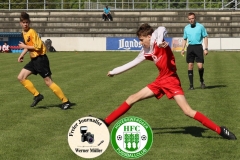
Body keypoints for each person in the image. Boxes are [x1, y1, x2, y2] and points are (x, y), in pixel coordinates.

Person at [100, 23, 236, 140]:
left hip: (171, 80)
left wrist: (159, 40)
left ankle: (220, 130)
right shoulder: (145, 51)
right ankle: (106, 123)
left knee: (188, 111)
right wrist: (113, 72)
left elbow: (161, 29)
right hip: (160, 80)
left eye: (141, 39)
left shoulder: (158, 39)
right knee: (132, 98)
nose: (140, 43)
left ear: (149, 36)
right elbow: (132, 63)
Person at [17, 12, 71, 110]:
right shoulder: (23, 33)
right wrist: (21, 55)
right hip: (34, 60)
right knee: (21, 77)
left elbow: (37, 47)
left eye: (27, 22)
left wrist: (24, 46)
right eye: (23, 22)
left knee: (48, 82)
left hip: (41, 59)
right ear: (20, 23)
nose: (25, 24)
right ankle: (37, 95)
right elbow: (28, 47)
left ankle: (65, 101)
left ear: (29, 22)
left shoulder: (32, 32)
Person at [181, 12, 208, 90]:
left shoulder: (200, 27)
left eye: (192, 18)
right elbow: (185, 39)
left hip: (198, 47)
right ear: (188, 19)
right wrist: (182, 49)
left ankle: (201, 80)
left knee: (200, 66)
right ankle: (191, 85)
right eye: (189, 19)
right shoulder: (186, 28)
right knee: (190, 66)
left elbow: (205, 37)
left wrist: (206, 48)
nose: (191, 20)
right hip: (190, 48)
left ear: (195, 18)